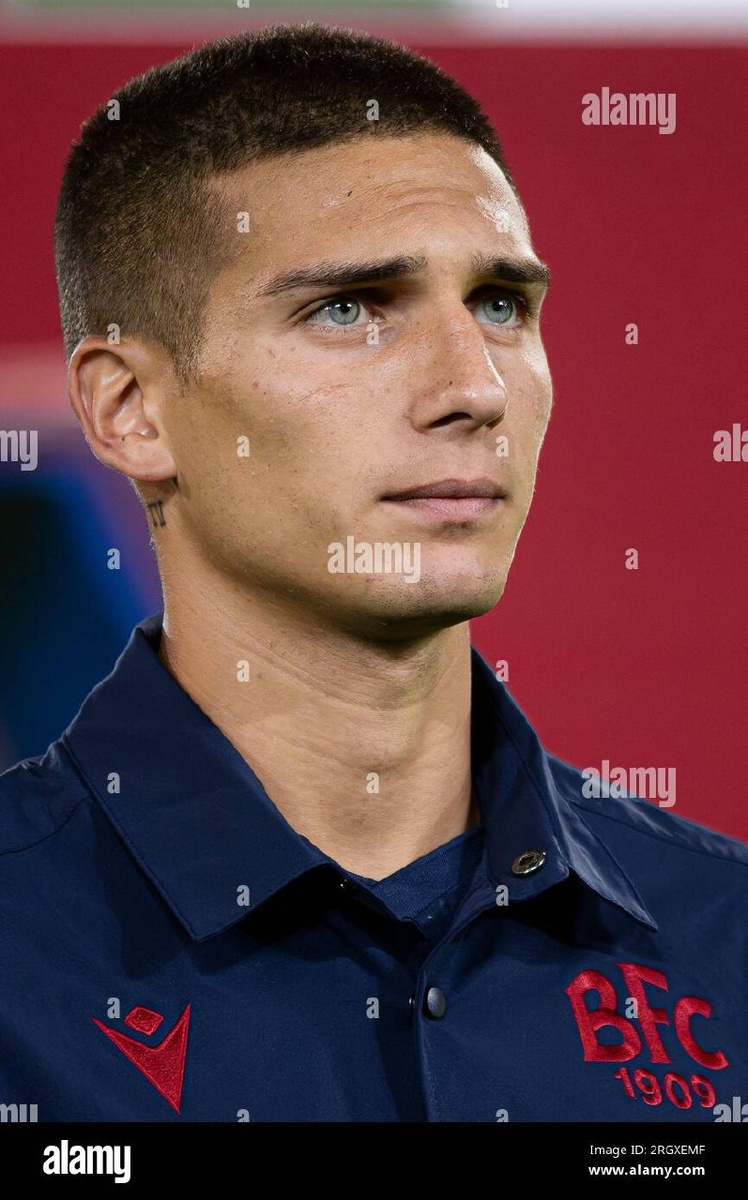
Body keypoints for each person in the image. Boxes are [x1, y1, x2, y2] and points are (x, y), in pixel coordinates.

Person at [1, 21, 746, 1124]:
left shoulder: (726, 935)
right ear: (130, 410)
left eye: (499, 304)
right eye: (348, 309)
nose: (474, 389)